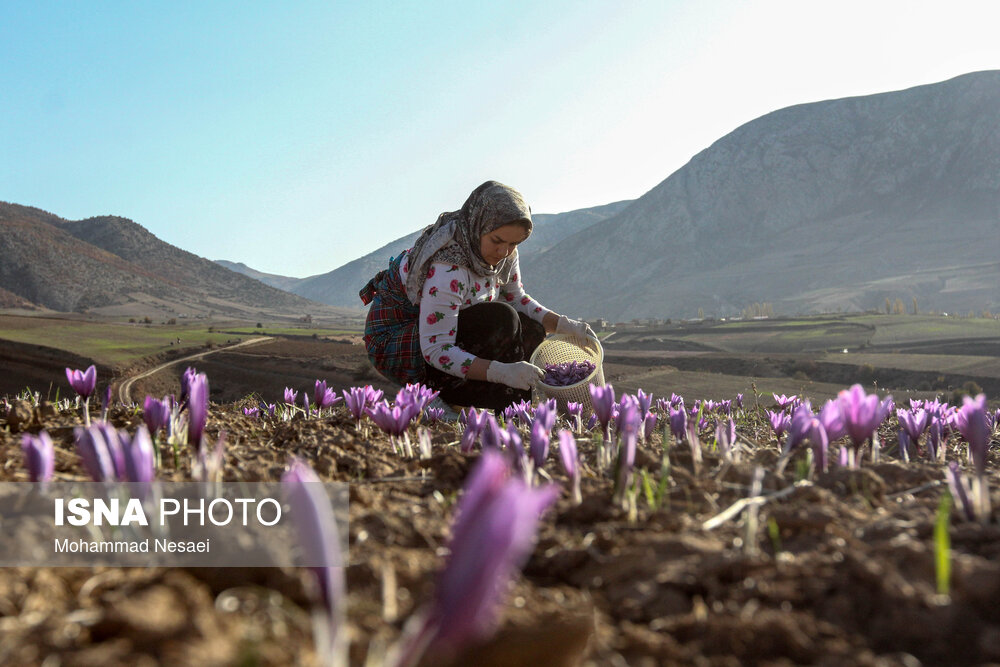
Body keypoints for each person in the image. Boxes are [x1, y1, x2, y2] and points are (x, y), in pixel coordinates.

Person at [360, 180, 594, 412]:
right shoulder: (449, 267)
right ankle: (435, 394)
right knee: (500, 319)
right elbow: (436, 349)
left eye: (513, 243)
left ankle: (511, 411)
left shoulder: (505, 253)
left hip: (442, 333)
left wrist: (564, 325)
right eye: (497, 241)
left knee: (532, 329)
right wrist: (501, 372)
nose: (503, 252)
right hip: (401, 344)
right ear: (478, 225)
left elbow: (516, 297)